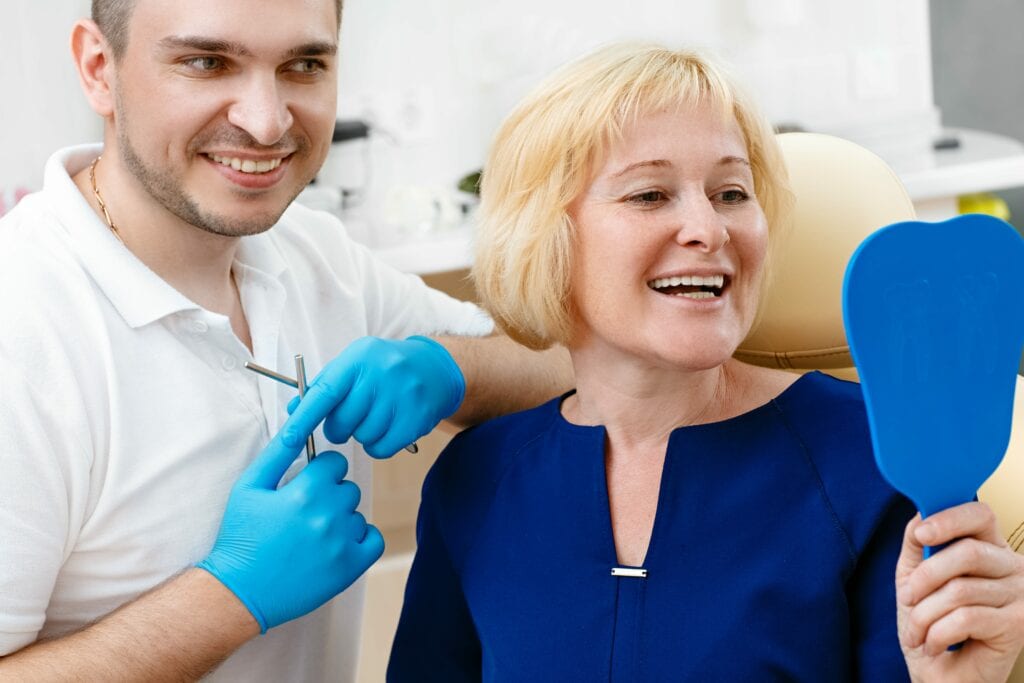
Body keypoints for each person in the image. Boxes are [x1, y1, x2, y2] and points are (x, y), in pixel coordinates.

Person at [388, 43, 1024, 681]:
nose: (708, 228)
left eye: (730, 193)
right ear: (547, 239)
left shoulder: (876, 464)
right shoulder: (475, 482)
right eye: (649, 195)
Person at [0, 1, 572, 681]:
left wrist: (454, 367)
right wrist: (228, 597)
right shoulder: (25, 327)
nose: (267, 120)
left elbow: (575, 371)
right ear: (100, 68)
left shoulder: (311, 250)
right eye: (207, 62)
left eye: (303, 65)